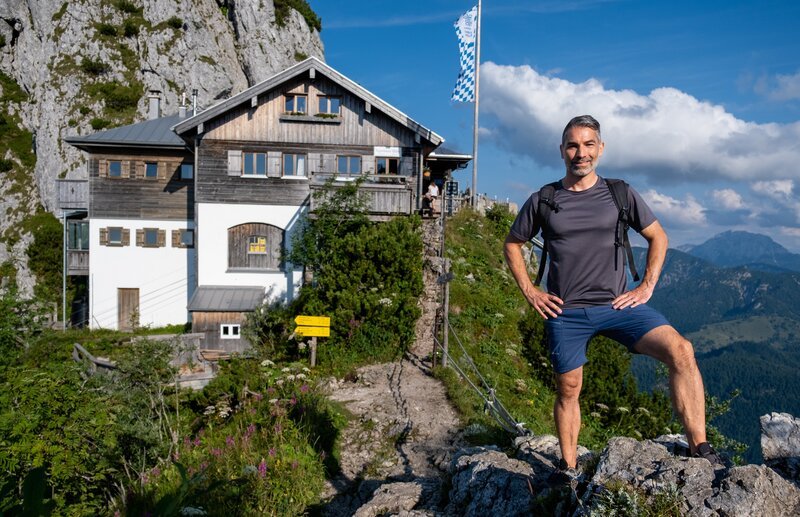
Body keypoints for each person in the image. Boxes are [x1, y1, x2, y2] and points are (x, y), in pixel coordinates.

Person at [503, 115, 722, 482]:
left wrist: (646, 287)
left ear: (600, 149)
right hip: (566, 312)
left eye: (589, 144)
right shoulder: (544, 199)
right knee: (569, 388)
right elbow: (512, 243)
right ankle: (568, 468)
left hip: (619, 306)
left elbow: (659, 237)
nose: (580, 153)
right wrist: (531, 292)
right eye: (573, 145)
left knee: (682, 350)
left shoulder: (619, 192)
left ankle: (700, 448)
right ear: (562, 151)